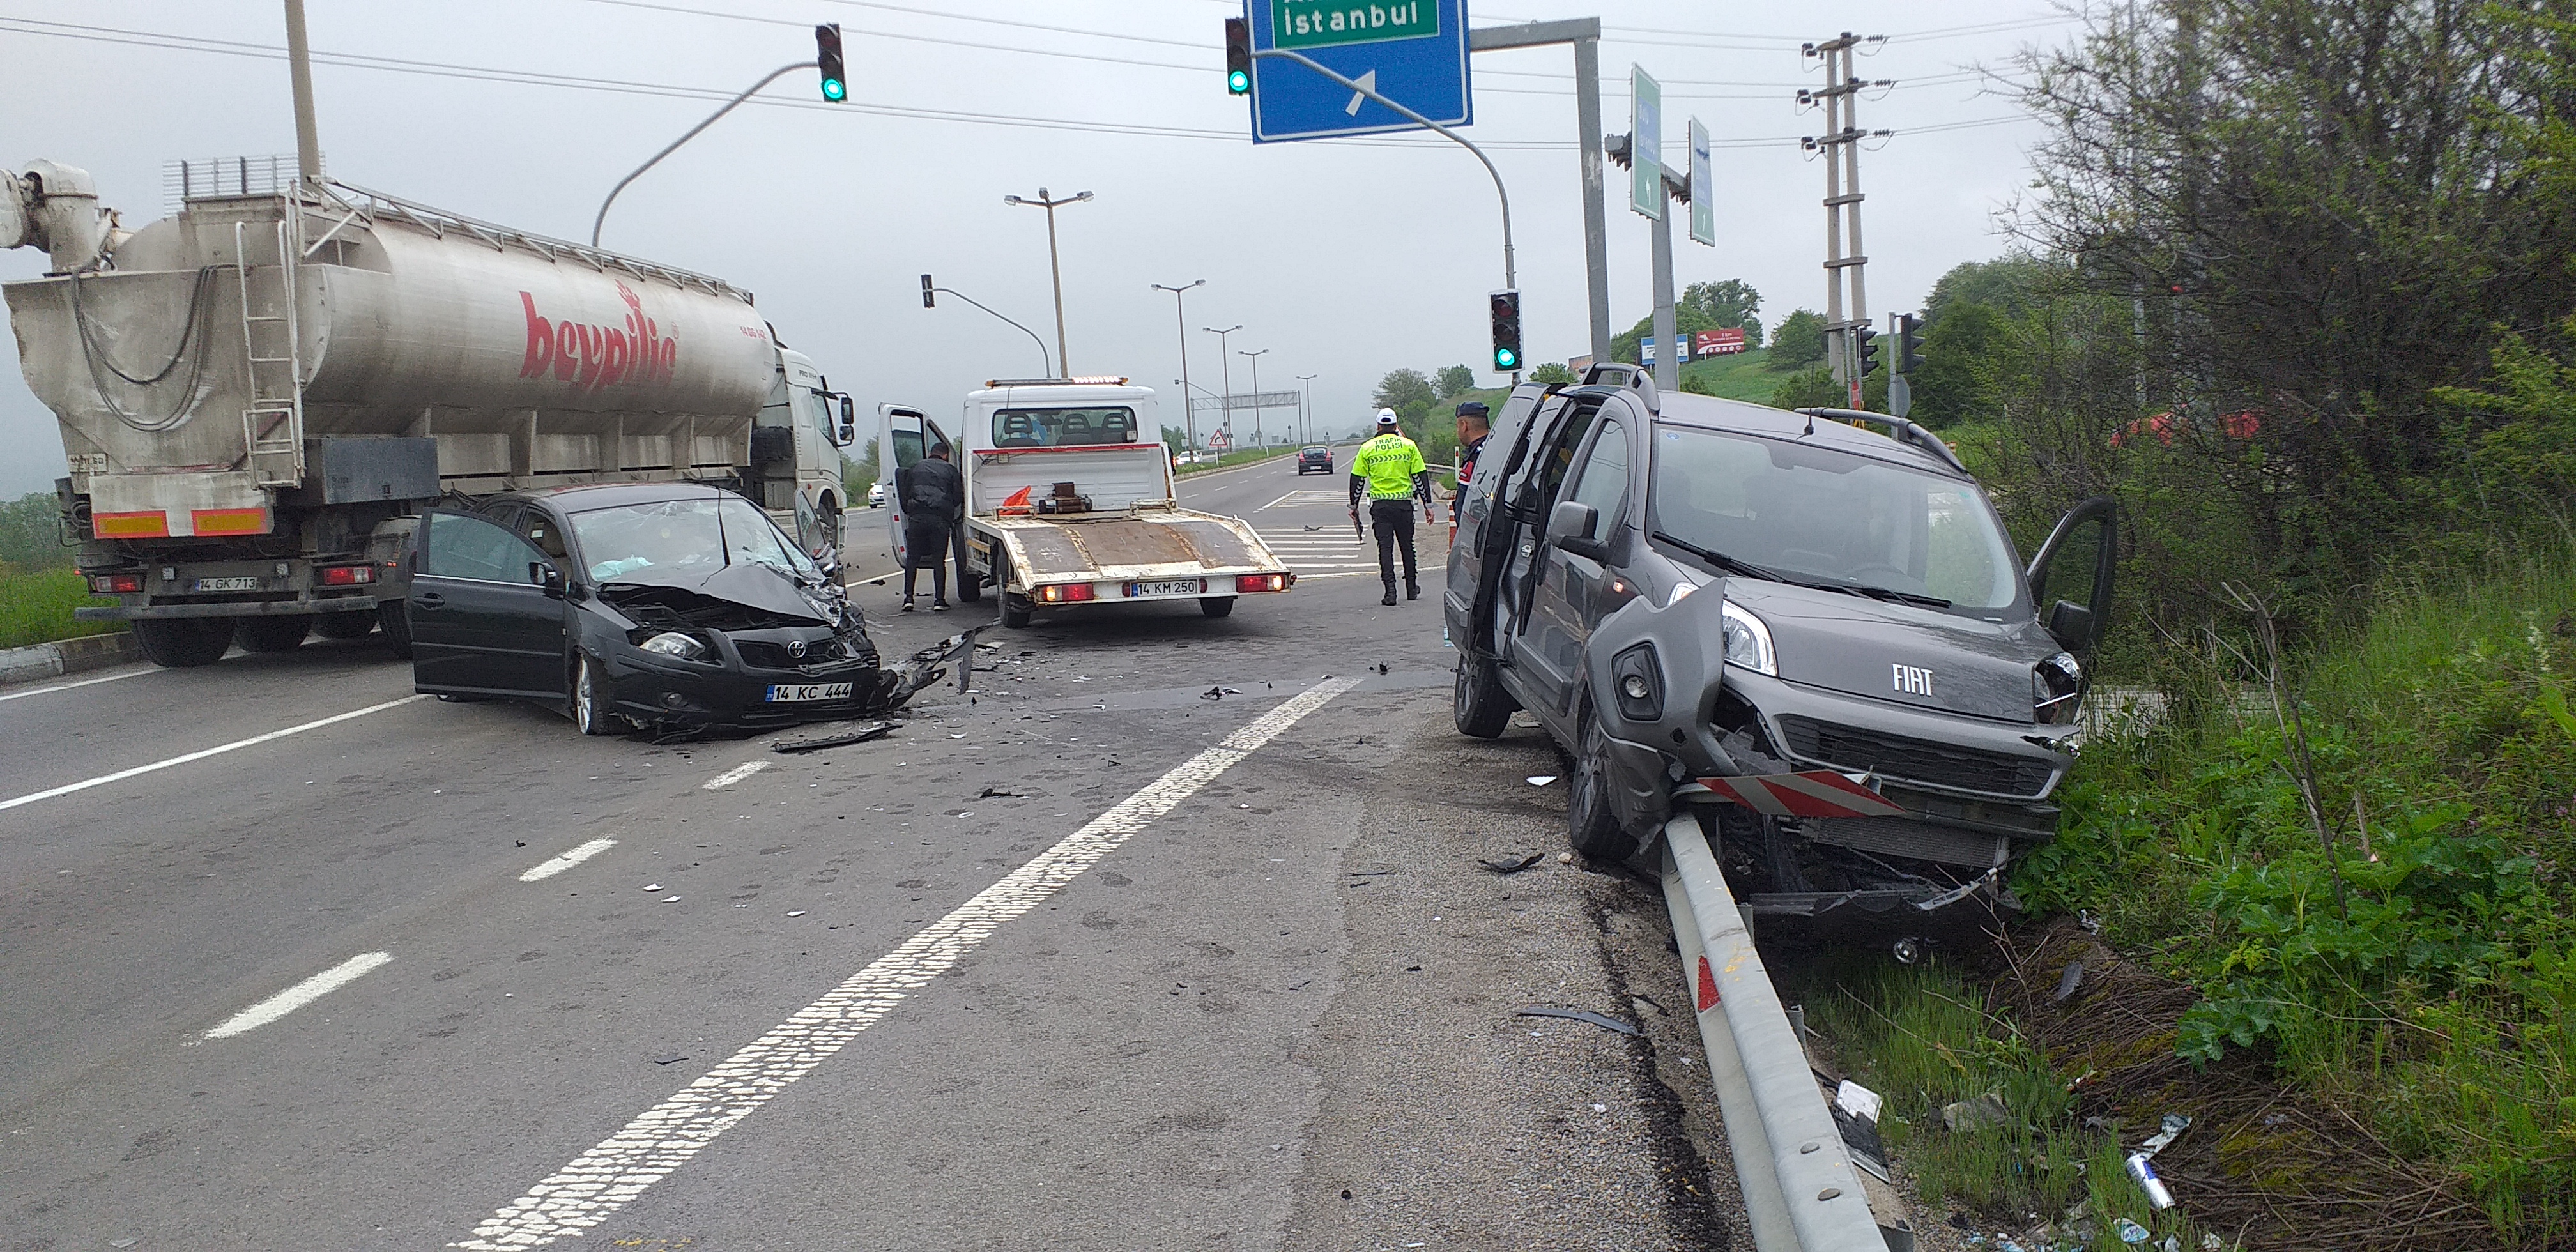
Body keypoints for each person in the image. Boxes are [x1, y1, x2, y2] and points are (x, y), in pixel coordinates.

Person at [1347, 409, 1436, 606]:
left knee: (1385, 549)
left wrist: (1353, 506)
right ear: (1396, 427)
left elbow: (1357, 480)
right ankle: (1412, 588)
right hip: (1404, 506)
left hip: (1381, 508)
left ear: (1378, 426)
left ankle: (1390, 592)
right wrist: (1428, 506)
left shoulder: (1368, 448)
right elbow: (1420, 478)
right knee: (1407, 546)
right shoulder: (1409, 446)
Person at [896, 442, 963, 611]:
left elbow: (905, 492)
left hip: (917, 517)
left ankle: (908, 599)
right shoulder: (950, 470)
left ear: (931, 453)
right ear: (946, 455)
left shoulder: (915, 468)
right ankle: (939, 600)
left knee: (912, 559)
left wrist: (910, 510)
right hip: (939, 519)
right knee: (938, 560)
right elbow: (957, 496)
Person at [1450, 399, 1491, 541]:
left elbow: (1481, 496)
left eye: (1457, 426)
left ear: (1464, 426)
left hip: (1478, 537)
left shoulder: (1479, 456)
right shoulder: (1493, 447)